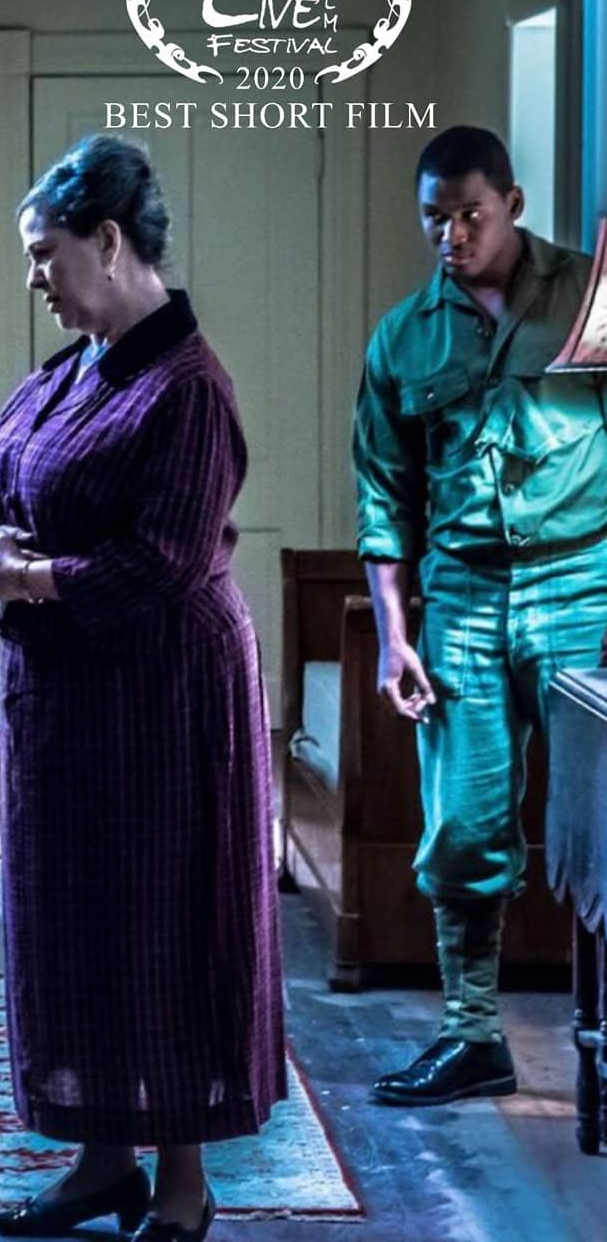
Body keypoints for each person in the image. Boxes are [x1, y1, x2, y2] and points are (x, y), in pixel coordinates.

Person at [0, 135, 284, 1242]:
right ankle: (103, 1160)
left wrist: (27, 575)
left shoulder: (188, 388)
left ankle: (184, 1182)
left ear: (107, 242)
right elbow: (7, 485)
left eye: (43, 253)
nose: (34, 278)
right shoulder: (72, 369)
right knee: (76, 919)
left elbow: (162, 561)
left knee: (165, 920)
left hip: (164, 696)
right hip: (69, 695)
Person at [354, 125, 605, 1106]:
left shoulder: (588, 295)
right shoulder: (403, 338)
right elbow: (383, 498)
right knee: (462, 826)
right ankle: (471, 1034)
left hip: (580, 585)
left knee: (601, 825)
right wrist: (394, 638)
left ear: (513, 205)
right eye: (436, 218)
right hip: (460, 597)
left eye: (471, 214)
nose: (452, 236)